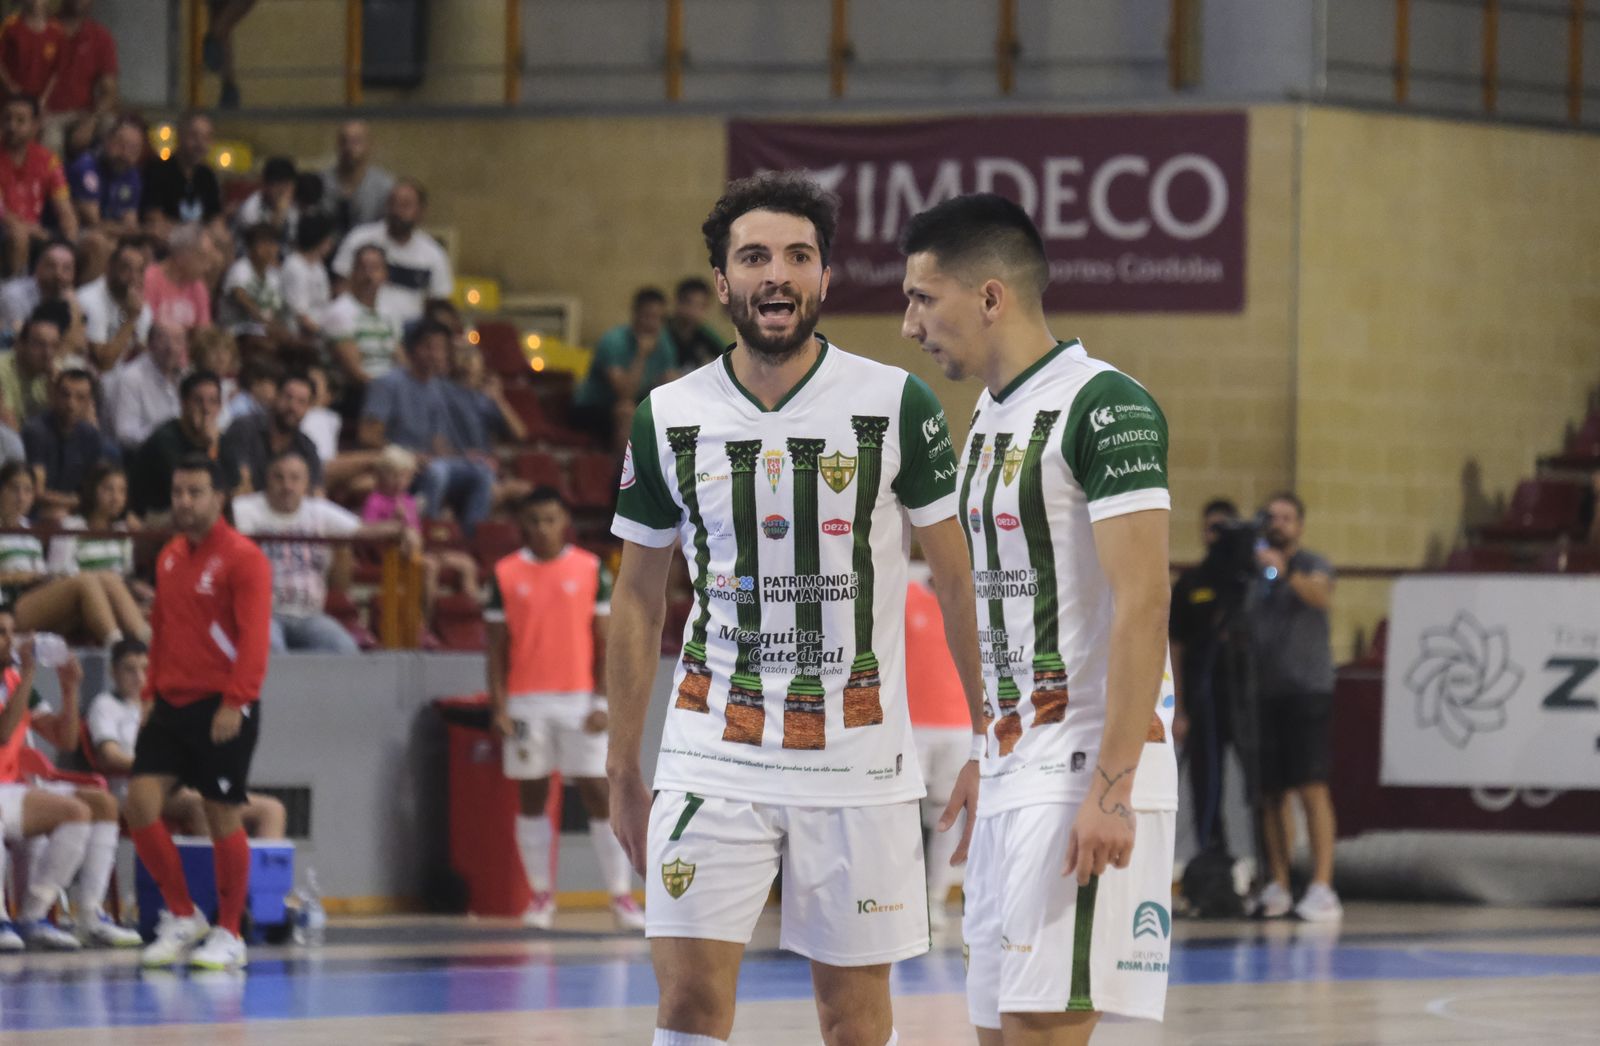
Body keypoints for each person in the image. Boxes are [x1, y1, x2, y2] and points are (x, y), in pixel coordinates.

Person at [606, 171, 985, 1046]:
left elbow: (959, 581)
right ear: (723, 280)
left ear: (825, 276)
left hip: (859, 763)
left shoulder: (896, 402)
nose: (776, 273)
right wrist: (623, 766)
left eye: (798, 255)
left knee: (853, 1021)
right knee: (688, 1006)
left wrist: (987, 738)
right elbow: (635, 597)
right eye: (754, 257)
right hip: (713, 753)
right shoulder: (667, 414)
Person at [899, 192, 1179, 1044]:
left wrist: (1113, 787)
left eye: (923, 298)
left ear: (990, 296)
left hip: (1085, 766)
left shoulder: (1106, 405)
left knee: (1038, 1029)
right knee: (998, 1030)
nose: (910, 325)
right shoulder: (989, 416)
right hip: (1014, 766)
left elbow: (1145, 602)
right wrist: (984, 745)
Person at [125, 452, 272, 970]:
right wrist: (149, 692)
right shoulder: (168, 556)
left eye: (195, 493)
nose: (184, 502)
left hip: (221, 705)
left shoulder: (244, 558)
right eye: (177, 493)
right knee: (139, 803)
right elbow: (162, 630)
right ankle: (184, 914)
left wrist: (236, 700)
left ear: (219, 497)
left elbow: (255, 639)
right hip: (170, 704)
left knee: (220, 813)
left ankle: (230, 932)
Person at [485, 488, 635, 930]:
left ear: (564, 521)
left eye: (550, 519)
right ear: (522, 524)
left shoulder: (590, 569)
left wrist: (603, 700)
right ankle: (540, 896)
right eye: (534, 520)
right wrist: (499, 706)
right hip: (525, 702)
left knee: (597, 792)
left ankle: (621, 896)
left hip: (579, 701)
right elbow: (495, 650)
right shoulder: (504, 573)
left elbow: (605, 642)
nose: (542, 528)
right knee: (532, 794)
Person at [0, 621, 131, 950]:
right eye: (1, 633)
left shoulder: (15, 681)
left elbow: (65, 739)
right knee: (74, 812)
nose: (11, 640)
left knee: (102, 804)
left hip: (11, 789)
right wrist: (29, 671)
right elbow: (3, 733)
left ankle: (89, 914)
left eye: (11, 632)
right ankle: (31, 914)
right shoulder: (21, 679)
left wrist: (70, 689)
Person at [86, 638, 286, 837]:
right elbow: (109, 756)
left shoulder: (163, 704)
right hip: (136, 789)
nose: (139, 677)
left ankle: (253, 859)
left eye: (145, 669)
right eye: (129, 670)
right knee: (200, 804)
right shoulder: (105, 705)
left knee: (271, 810)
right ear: (113, 672)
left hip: (184, 786)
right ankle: (213, 859)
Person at [1249, 491, 1341, 923]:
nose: (1279, 523)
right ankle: (1280, 883)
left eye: (1287, 517)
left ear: (1299, 526)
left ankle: (1322, 885)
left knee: (1311, 787)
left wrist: (1285, 573)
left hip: (1308, 690)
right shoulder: (1253, 572)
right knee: (1270, 794)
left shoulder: (1312, 564)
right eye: (1272, 517)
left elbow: (1320, 596)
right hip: (1265, 691)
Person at [358, 317, 493, 536]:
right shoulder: (388, 383)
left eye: (441, 349)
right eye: (429, 347)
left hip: (429, 461)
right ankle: (426, 534)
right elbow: (368, 435)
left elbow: (437, 442)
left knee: (481, 471)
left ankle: (472, 539)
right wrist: (409, 455)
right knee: (437, 472)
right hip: (398, 462)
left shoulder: (437, 389)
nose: (436, 355)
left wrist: (463, 456)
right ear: (413, 349)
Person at [231, 449, 366, 654]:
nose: (287, 485)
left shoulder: (319, 510)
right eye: (279, 477)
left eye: (295, 478)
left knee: (345, 649)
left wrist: (404, 530)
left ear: (306, 483)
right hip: (263, 614)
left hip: (310, 616)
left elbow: (367, 531)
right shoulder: (243, 509)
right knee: (269, 650)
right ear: (267, 479)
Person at [1169, 498, 1242, 861]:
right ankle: (1211, 856)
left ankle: (1274, 870)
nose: (1218, 535)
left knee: (1264, 787)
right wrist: (1179, 709)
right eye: (1213, 527)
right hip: (1204, 698)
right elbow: (1176, 648)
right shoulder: (1190, 584)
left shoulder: (1249, 581)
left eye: (1226, 528)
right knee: (1205, 781)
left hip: (1246, 698)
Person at [0, 459, 140, 644]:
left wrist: (41, 578)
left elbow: (42, 574)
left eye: (28, 491)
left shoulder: (30, 531)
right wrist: (20, 577)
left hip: (34, 595)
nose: (21, 497)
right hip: (8, 606)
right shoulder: (71, 526)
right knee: (84, 579)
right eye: (14, 489)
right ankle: (117, 648)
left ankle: (146, 642)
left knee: (108, 578)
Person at [904, 569, 970, 932]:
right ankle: (897, 899)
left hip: (959, 726)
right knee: (900, 814)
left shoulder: (973, 602)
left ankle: (935, 900)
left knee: (946, 816)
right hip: (911, 725)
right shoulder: (907, 597)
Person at [362, 442, 476, 618]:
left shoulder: (407, 501)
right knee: (429, 567)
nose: (399, 482)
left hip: (417, 550)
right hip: (390, 553)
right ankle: (427, 619)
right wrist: (395, 521)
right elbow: (367, 531)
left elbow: (416, 530)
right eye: (393, 476)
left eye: (404, 477)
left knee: (466, 564)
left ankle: (470, 616)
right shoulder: (375, 500)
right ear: (381, 476)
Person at [330, 179, 451, 322]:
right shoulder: (360, 238)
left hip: (413, 327)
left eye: (405, 205)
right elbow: (341, 287)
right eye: (393, 203)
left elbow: (438, 302)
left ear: (421, 211)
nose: (397, 211)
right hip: (363, 321)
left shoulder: (433, 254)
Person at [570, 287, 675, 450]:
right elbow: (625, 393)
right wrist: (641, 355)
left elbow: (672, 380)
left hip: (634, 403)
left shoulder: (663, 341)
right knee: (626, 410)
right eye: (647, 316)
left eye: (658, 318)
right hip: (594, 407)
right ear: (635, 314)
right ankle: (624, 465)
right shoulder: (613, 341)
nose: (652, 324)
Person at [128, 369, 236, 518]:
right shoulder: (165, 440)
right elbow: (190, 487)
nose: (206, 409)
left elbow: (236, 487)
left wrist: (213, 445)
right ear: (184, 404)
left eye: (213, 401)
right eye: (198, 401)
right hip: (157, 516)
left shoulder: (220, 439)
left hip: (192, 513)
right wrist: (211, 448)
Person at [48, 460, 152, 613]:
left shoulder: (122, 532)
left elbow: (124, 576)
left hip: (116, 602)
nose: (116, 498)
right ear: (92, 490)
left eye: (122, 491)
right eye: (109, 489)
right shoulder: (71, 527)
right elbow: (58, 576)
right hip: (77, 605)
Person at [23, 366, 115, 520]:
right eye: (65, 395)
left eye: (80, 398)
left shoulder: (91, 436)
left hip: (78, 515)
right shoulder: (36, 431)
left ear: (89, 403)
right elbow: (38, 492)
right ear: (54, 396)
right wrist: (78, 502)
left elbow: (96, 487)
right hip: (37, 514)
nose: (71, 404)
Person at [322, 243, 407, 409]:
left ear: (385, 275)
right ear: (353, 273)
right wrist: (391, 395)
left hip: (390, 390)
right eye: (363, 268)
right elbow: (355, 373)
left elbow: (401, 359)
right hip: (357, 393)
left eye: (375, 268)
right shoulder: (339, 312)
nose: (369, 275)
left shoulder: (390, 313)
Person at [0, 95, 76, 275]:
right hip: (6, 232)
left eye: (20, 120)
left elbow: (65, 211)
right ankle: (13, 290)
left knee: (91, 243)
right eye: (7, 119)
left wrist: (69, 243)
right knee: (18, 234)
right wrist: (32, 231)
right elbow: (2, 214)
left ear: (35, 125)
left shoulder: (48, 160)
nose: (12, 126)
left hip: (35, 232)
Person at [222, 370, 321, 495]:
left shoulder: (307, 447)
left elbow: (316, 494)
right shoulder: (244, 428)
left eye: (301, 402)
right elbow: (240, 486)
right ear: (276, 396)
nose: (293, 407)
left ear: (309, 408)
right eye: (288, 397)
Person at [103, 320, 185, 450]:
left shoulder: (185, 377)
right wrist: (167, 436)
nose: (171, 348)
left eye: (177, 340)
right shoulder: (130, 378)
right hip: (142, 456)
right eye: (163, 339)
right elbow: (124, 434)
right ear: (150, 343)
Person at [79, 236, 152, 371]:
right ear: (109, 268)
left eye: (139, 271)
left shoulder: (139, 304)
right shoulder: (89, 299)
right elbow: (103, 363)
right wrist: (131, 319)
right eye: (126, 269)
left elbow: (144, 354)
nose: (133, 277)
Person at [140, 112, 221, 232]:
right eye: (194, 136)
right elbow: (153, 217)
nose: (200, 144)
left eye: (206, 138)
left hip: (203, 238)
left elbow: (216, 218)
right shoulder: (158, 171)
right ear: (180, 136)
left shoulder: (207, 176)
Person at [44, 0, 118, 125]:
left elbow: (109, 91)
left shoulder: (100, 36)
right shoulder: (43, 28)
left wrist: (92, 120)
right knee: (50, 134)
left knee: (110, 123)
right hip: (49, 113)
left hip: (85, 113)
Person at [0, 240, 83, 349]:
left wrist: (74, 309)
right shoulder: (13, 295)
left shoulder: (72, 298)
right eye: (51, 266)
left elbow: (79, 344)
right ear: (38, 267)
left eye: (66, 269)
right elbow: (21, 340)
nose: (58, 274)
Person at [67, 114, 140, 235]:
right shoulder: (85, 167)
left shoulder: (132, 174)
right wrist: (132, 231)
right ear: (107, 140)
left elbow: (130, 222)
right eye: (120, 144)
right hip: (78, 233)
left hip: (114, 235)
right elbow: (93, 222)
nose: (125, 153)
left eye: (133, 149)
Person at [321, 120, 394, 237]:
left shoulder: (384, 187)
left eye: (356, 141)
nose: (349, 147)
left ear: (369, 145)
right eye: (344, 141)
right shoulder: (322, 182)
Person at [142, 222, 212, 332]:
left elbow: (204, 331)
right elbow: (145, 327)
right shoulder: (150, 278)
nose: (208, 267)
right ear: (182, 255)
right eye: (202, 258)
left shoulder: (198, 286)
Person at [0, 304, 59, 426]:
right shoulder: (2, 370)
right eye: (39, 344)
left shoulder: (55, 372)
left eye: (54, 346)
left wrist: (54, 386)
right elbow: (8, 427)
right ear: (20, 345)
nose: (48, 354)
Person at [280, 211, 333, 338]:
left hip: (320, 328)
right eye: (328, 238)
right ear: (319, 239)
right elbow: (300, 316)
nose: (331, 243)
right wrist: (326, 337)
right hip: (299, 335)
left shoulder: (318, 266)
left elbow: (325, 303)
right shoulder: (294, 266)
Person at [0, 0, 59, 104]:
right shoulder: (10, 25)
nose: (36, 2)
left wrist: (44, 98)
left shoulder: (56, 30)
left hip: (40, 102)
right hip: (11, 100)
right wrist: (9, 85)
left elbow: (57, 69)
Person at [232, 156, 297, 242]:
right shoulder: (251, 208)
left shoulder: (294, 206)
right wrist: (279, 213)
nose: (285, 192)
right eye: (278, 186)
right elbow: (264, 244)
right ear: (266, 185)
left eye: (288, 186)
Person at [666, 276, 725, 370]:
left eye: (700, 306)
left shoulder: (705, 334)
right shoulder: (661, 331)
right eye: (688, 303)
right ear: (677, 302)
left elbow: (726, 357)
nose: (693, 311)